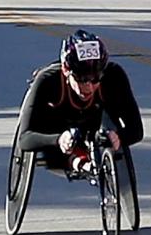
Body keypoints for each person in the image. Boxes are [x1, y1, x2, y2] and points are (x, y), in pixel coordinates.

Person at [16, 30, 144, 176]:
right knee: (60, 142)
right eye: (82, 79)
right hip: (55, 124)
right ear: (66, 70)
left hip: (91, 121)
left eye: (95, 78)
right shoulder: (47, 81)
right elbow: (24, 138)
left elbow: (136, 130)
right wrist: (58, 139)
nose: (89, 86)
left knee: (102, 130)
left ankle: (86, 158)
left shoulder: (113, 77)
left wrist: (119, 136)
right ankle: (76, 162)